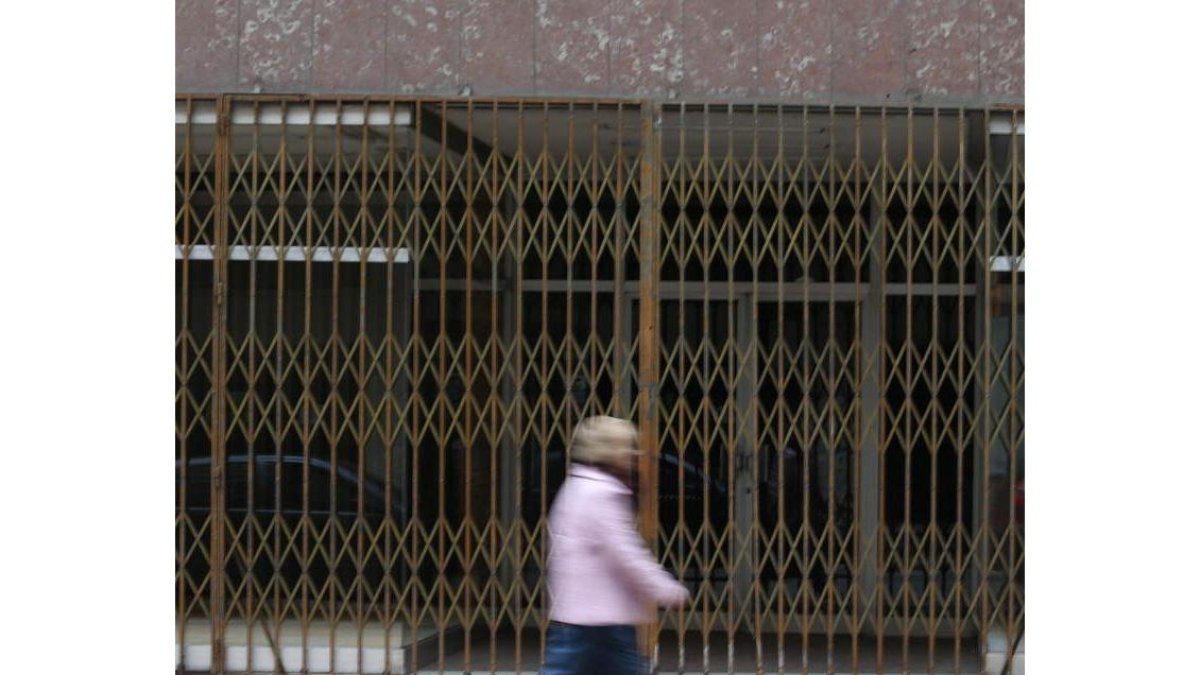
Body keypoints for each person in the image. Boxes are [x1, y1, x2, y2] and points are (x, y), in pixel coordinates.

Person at [541, 416, 690, 675]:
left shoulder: (575, 486)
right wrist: (666, 589)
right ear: (607, 450)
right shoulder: (601, 494)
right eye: (626, 446)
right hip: (602, 622)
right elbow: (625, 553)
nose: (634, 452)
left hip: (573, 617)